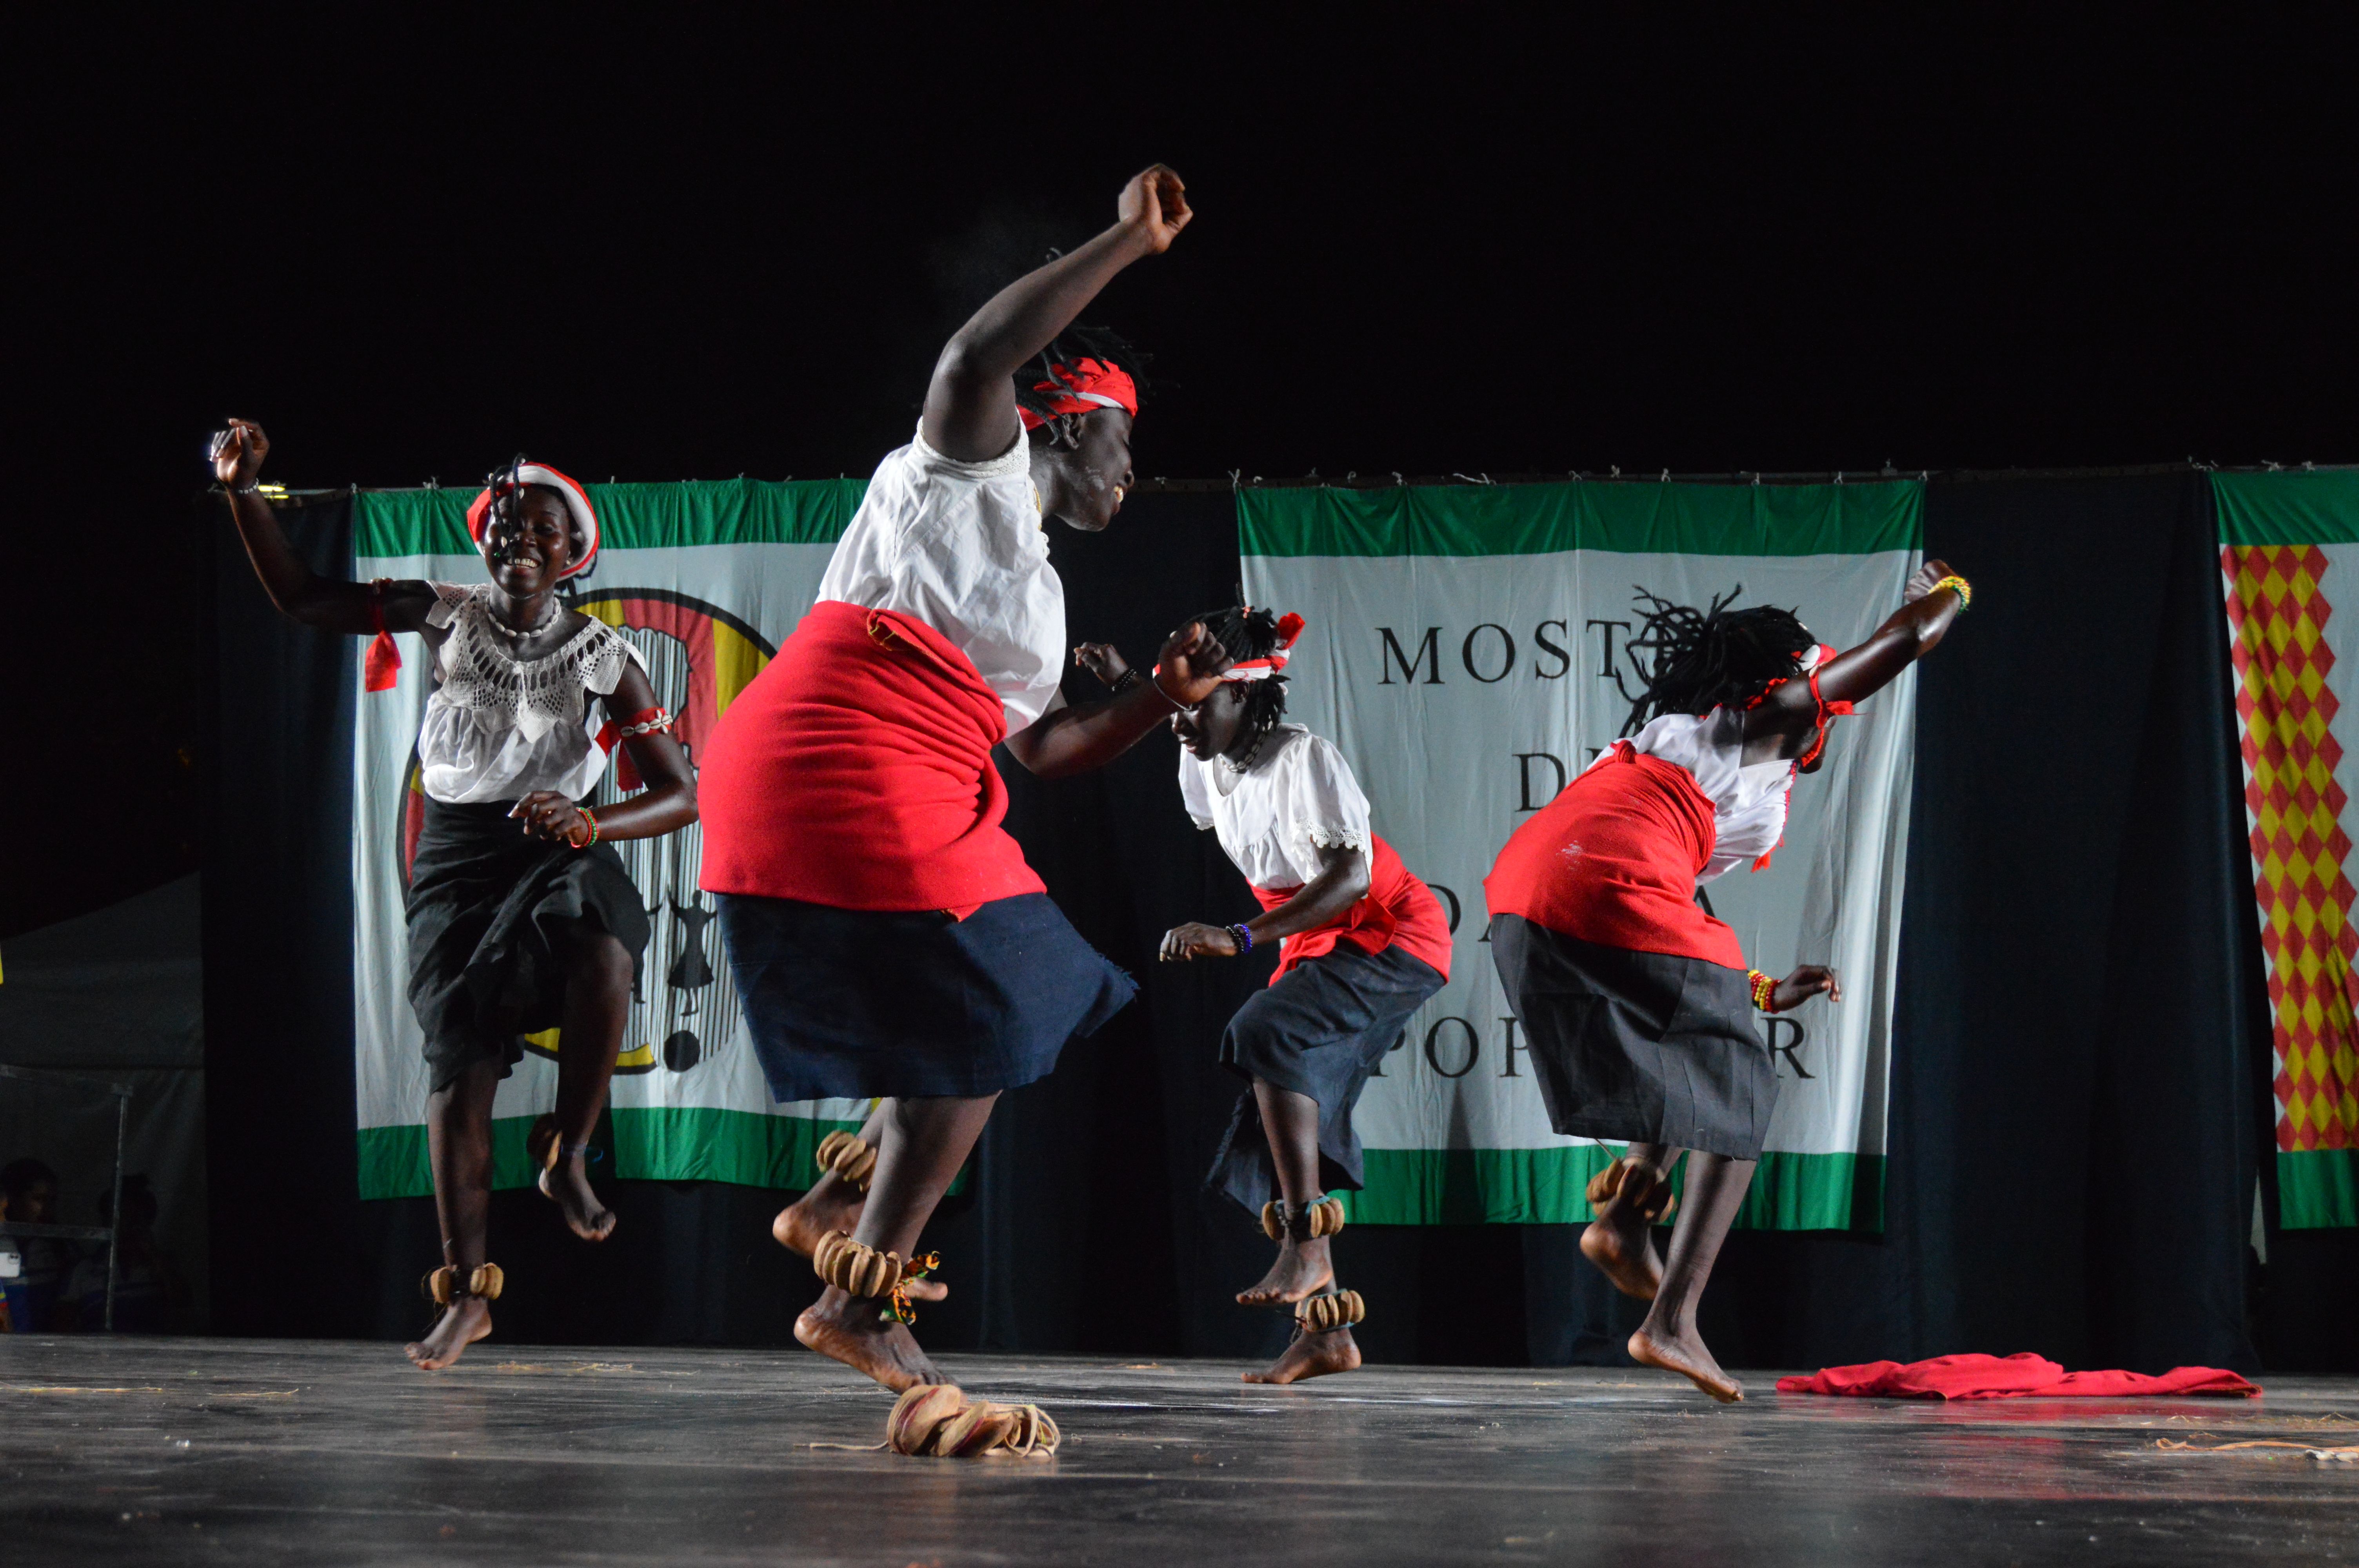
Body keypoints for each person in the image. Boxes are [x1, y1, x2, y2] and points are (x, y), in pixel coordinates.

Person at [699, 164, 1215, 1393]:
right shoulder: (962, 469)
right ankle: (858, 1300)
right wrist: (1126, 241)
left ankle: (837, 1209)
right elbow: (980, 354)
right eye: (1125, 439)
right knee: (1000, 995)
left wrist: (1162, 698)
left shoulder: (1036, 589)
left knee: (988, 997)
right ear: (1072, 419)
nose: (1131, 471)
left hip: (885, 767)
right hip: (842, 744)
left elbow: (1042, 750)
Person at [211, 427, 698, 1370]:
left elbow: (682, 792)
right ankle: (467, 1292)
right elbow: (305, 597)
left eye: (542, 529)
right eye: (507, 524)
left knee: (601, 938)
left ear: (573, 551)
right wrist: (241, 495)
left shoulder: (607, 657)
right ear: (484, 540)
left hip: (556, 837)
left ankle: (568, 1153)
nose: (520, 538)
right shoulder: (442, 614)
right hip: (457, 859)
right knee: (460, 1065)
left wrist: (594, 824)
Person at [1485, 562, 1970, 1401]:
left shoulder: (1691, 752)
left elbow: (1671, 943)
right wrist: (1951, 590)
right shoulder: (1767, 712)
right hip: (1600, 874)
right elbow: (1904, 642)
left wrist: (1755, 990)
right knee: (1743, 1084)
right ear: (1782, 680)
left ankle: (1626, 1219)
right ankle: (1669, 1319)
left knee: (1693, 1049)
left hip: (1527, 886)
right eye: (1815, 675)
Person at [1088, 607, 1452, 1385]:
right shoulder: (1210, 758)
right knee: (1275, 1123)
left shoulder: (1302, 758)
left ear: (1245, 696)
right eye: (1177, 708)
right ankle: (1324, 1330)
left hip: (1388, 934)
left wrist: (1241, 935)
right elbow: (1184, 727)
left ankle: (1308, 1246)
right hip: (1316, 941)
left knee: (1266, 1032)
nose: (1182, 723)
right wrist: (1130, 686)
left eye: (1197, 706)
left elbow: (1350, 879)